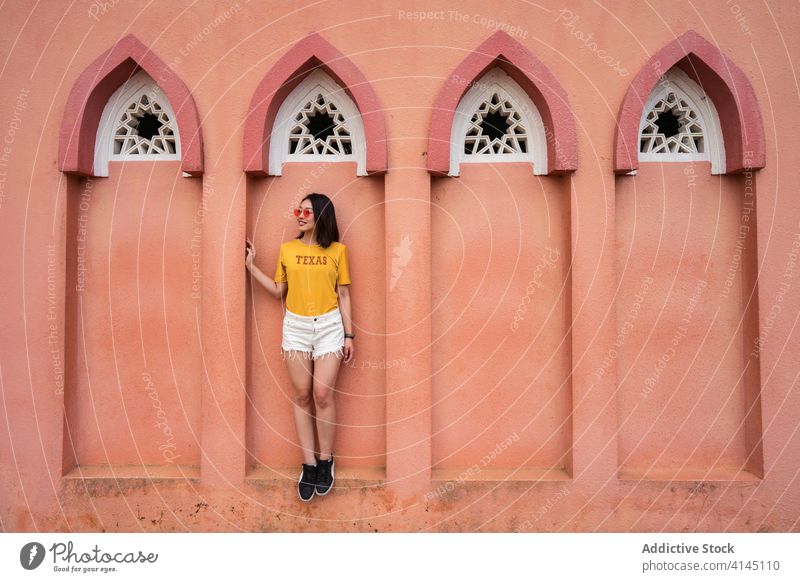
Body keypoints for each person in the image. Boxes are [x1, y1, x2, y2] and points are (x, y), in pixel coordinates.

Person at [245, 193, 354, 502]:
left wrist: (350, 335)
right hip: (296, 326)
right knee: (302, 394)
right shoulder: (287, 250)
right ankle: (309, 464)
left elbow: (343, 295)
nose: (300, 215)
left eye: (307, 211)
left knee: (322, 394)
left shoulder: (337, 251)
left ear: (321, 216)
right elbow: (279, 291)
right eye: (298, 210)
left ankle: (326, 460)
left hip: (330, 326)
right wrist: (251, 267)